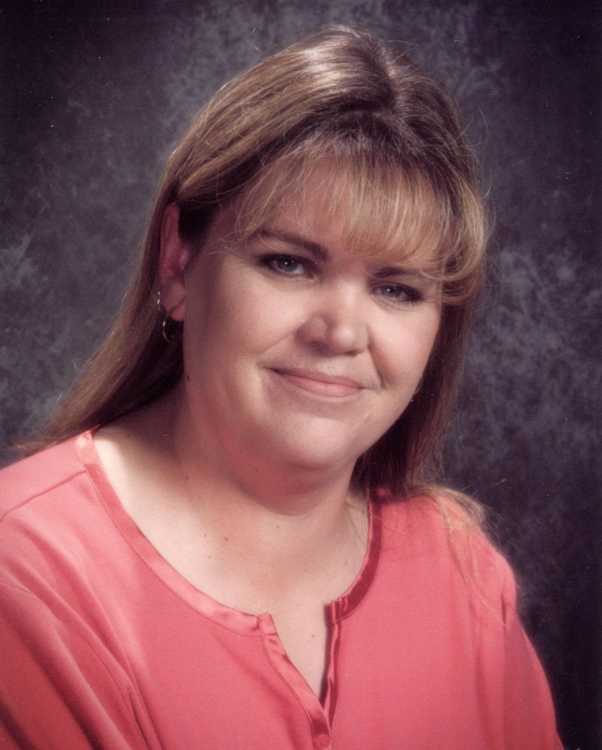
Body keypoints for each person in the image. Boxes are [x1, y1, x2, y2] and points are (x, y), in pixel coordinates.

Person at [0, 26, 561, 750]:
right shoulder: (26, 575)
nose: (341, 332)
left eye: (397, 288)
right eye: (289, 263)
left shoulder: (464, 574)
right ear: (178, 263)